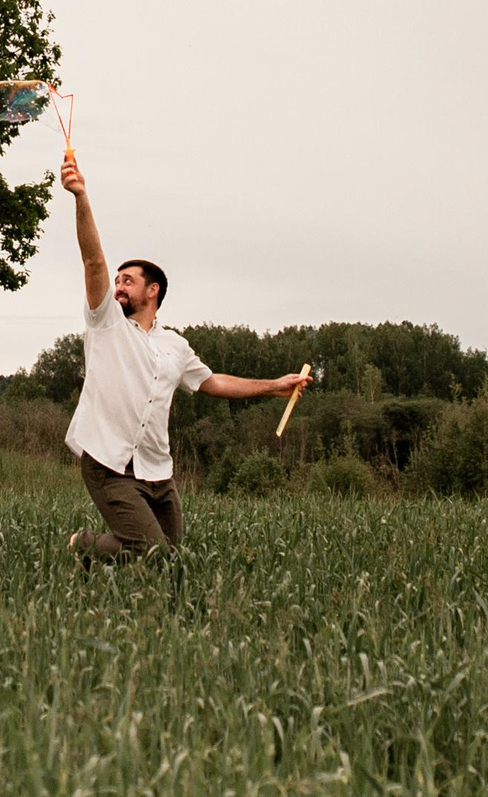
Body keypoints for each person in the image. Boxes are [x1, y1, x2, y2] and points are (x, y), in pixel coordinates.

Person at [59, 156, 306, 562]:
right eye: (116, 280)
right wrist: (80, 197)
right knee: (153, 553)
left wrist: (275, 386)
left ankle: (96, 560)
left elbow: (213, 383)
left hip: (158, 470)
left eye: (128, 281)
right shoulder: (107, 326)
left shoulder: (175, 345)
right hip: (109, 462)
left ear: (153, 290)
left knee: (168, 555)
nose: (117, 287)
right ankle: (84, 545)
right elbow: (92, 261)